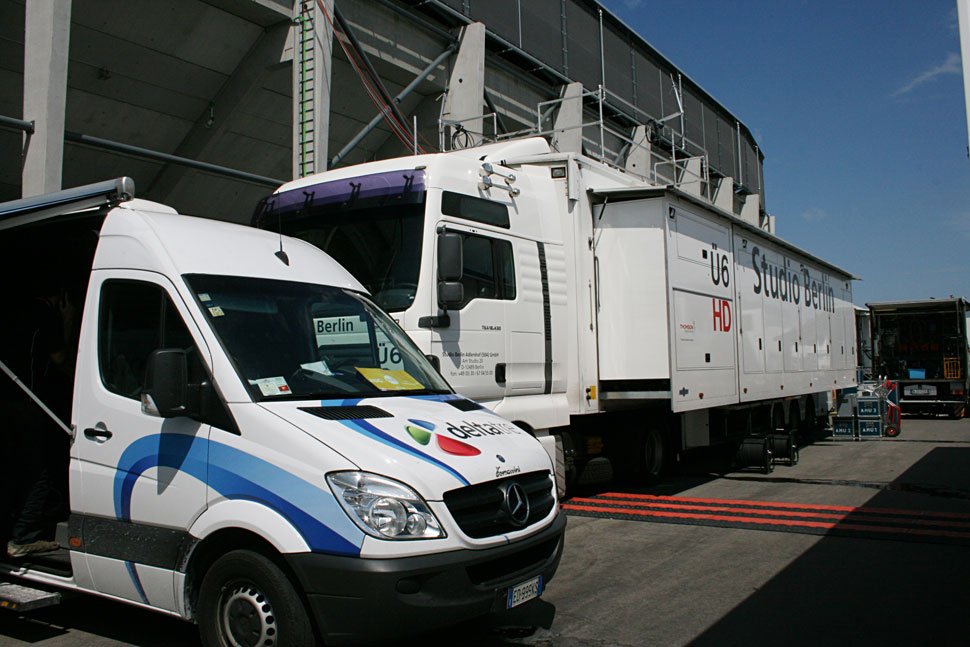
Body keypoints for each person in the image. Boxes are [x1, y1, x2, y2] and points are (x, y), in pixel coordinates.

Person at [5, 275, 75, 559]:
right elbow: (60, 358)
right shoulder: (44, 315)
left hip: (8, 403)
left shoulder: (13, 314)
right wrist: (68, 321)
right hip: (26, 402)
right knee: (38, 473)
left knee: (12, 468)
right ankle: (23, 537)